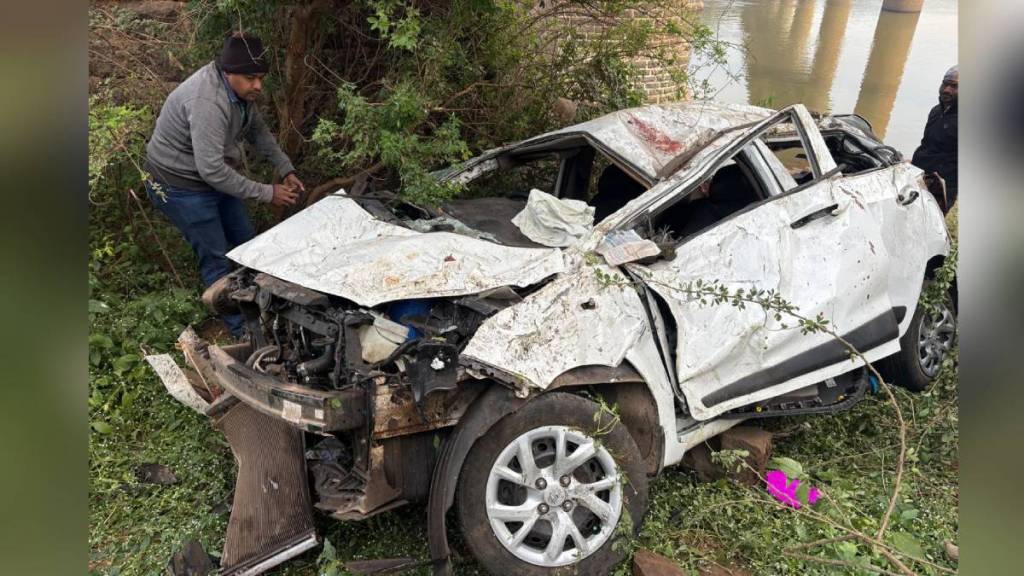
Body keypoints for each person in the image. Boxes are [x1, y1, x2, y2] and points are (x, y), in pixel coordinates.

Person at [144, 33, 304, 337]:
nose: (257, 85)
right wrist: (267, 192)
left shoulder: (239, 94)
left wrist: (285, 168)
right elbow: (212, 171)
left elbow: (257, 131)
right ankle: (242, 330)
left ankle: (264, 311)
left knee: (247, 245)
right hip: (179, 185)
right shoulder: (208, 101)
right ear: (228, 72)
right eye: (250, 78)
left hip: (210, 177)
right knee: (217, 257)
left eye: (260, 78)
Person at [912, 65, 958, 212]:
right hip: (918, 176)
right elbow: (926, 144)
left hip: (942, 187)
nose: (947, 90)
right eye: (945, 83)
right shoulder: (936, 111)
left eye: (954, 86)